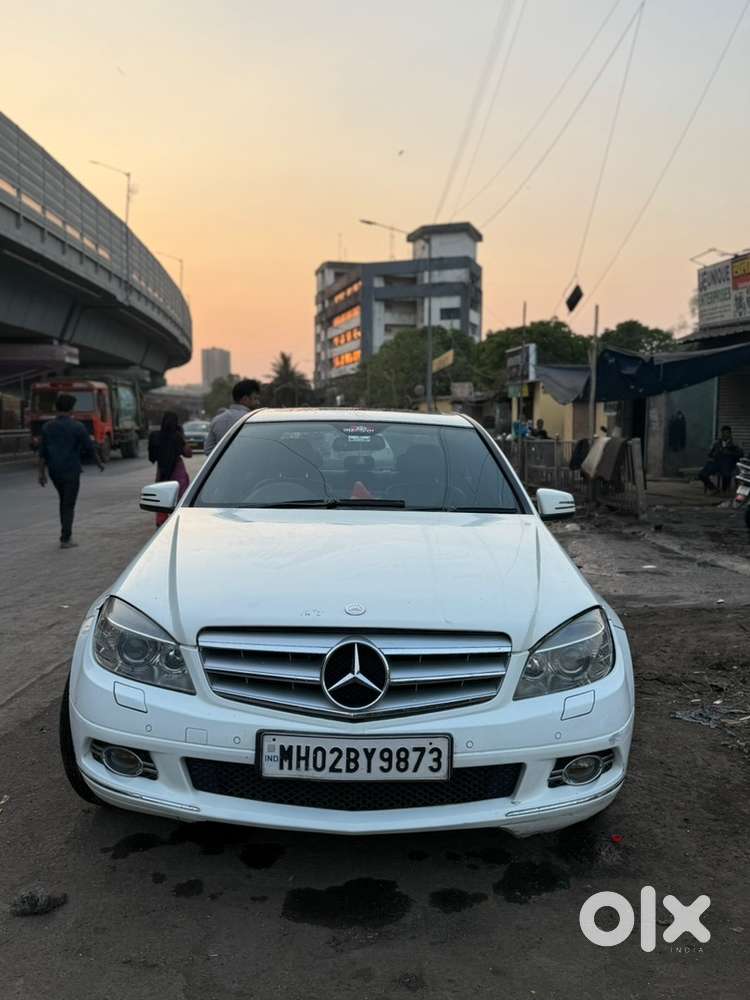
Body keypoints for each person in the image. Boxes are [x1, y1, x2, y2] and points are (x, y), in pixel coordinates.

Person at [38, 392, 104, 548]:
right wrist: (99, 463)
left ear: (57, 408)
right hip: (71, 470)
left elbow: (42, 452)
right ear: (72, 409)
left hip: (54, 471)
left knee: (64, 501)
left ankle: (65, 535)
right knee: (68, 504)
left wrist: (41, 473)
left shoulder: (47, 427)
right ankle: (65, 539)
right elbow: (90, 448)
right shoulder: (77, 427)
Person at [148, 412, 193, 527]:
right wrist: (182, 436)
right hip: (177, 471)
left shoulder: (155, 436)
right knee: (181, 498)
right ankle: (179, 521)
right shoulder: (177, 437)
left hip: (162, 472)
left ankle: (162, 523)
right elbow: (188, 453)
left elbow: (152, 457)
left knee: (161, 499)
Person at [204, 378, 261, 455]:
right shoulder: (253, 420)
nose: (258, 402)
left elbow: (208, 450)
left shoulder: (217, 420)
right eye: (255, 399)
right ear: (245, 399)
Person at [699, 426, 743, 494]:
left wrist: (729, 453)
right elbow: (710, 454)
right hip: (716, 463)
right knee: (702, 474)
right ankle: (713, 488)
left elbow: (740, 455)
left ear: (730, 434)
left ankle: (724, 490)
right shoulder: (717, 443)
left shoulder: (735, 444)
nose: (725, 435)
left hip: (728, 464)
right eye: (723, 433)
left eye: (727, 433)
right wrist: (715, 454)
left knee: (726, 475)